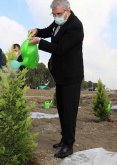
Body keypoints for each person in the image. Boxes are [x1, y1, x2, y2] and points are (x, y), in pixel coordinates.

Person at [28, 0, 84, 158]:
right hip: (60, 75)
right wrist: (37, 31)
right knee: (61, 109)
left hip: (71, 76)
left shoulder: (75, 26)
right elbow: (49, 30)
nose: (56, 17)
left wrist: (39, 42)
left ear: (68, 10)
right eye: (54, 14)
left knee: (69, 111)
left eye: (58, 14)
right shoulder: (59, 21)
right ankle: (64, 138)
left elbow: (60, 49)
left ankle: (69, 145)